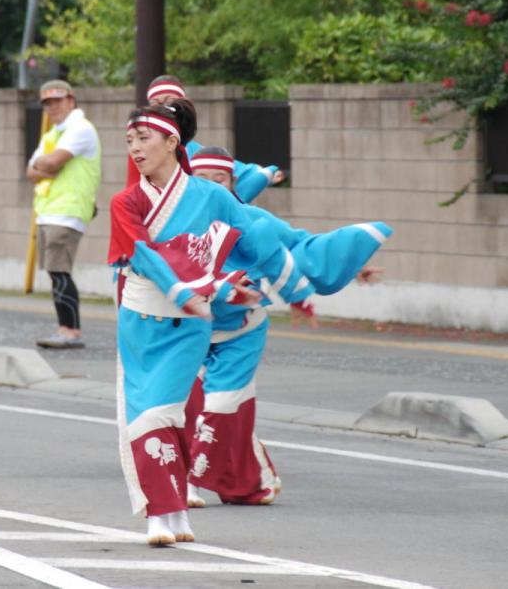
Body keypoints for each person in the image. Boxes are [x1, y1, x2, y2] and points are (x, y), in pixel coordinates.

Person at [108, 100, 311, 545]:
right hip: (142, 319)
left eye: (143, 138)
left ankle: (170, 510)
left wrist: (296, 287)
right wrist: (189, 290)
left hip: (191, 323)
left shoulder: (213, 196)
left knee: (168, 413)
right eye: (129, 141)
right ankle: (165, 513)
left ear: (171, 141)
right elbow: (142, 253)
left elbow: (259, 238)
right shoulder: (126, 201)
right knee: (148, 417)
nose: (135, 149)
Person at [185, 145, 392, 507]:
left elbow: (297, 247)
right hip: (188, 329)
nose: (212, 187)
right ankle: (249, 484)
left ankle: (190, 481)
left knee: (221, 407)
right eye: (202, 180)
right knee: (195, 410)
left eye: (220, 179)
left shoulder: (251, 218)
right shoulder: (173, 219)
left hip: (241, 330)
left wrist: (353, 266)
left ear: (233, 184)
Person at [26, 79, 101, 349]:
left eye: (57, 101)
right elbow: (31, 170)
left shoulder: (80, 129)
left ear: (71, 100)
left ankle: (69, 331)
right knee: (56, 273)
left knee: (60, 272)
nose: (52, 107)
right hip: (49, 211)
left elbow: (51, 162)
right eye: (47, 103)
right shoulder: (53, 134)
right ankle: (66, 328)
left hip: (67, 211)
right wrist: (44, 164)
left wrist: (45, 164)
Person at [134, 75, 285, 203]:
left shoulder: (196, 153)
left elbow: (242, 173)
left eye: (170, 101)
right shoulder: (140, 152)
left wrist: (267, 174)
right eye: (156, 102)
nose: (164, 107)